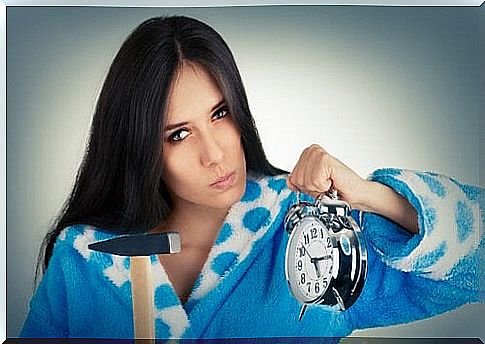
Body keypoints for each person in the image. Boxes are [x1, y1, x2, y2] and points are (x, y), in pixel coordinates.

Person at [20, 15, 481, 339]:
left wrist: (372, 196)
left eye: (220, 113)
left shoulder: (312, 233)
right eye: (179, 134)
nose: (215, 153)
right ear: (140, 148)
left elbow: (476, 263)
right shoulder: (84, 260)